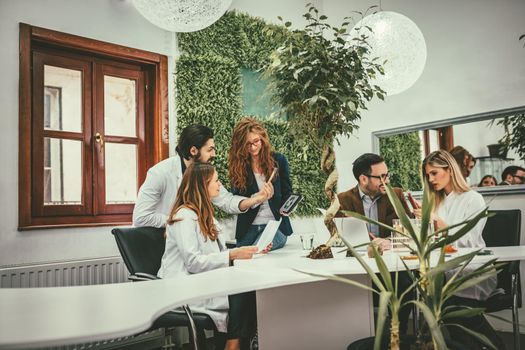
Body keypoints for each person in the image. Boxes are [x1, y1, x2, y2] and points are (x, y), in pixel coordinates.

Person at [158, 162, 270, 350]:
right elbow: (193, 262)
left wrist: (251, 251)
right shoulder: (184, 216)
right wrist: (231, 255)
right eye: (216, 181)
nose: (220, 185)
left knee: (251, 288)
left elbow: (217, 252)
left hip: (206, 279)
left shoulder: (205, 215)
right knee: (243, 292)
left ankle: (234, 343)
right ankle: (232, 345)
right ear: (202, 185)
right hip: (184, 286)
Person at [414, 150, 502, 349]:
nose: (431, 179)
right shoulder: (437, 202)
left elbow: (467, 242)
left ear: (450, 170)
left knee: (456, 315)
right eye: (428, 175)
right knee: (444, 316)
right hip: (443, 275)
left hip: (471, 272)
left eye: (434, 173)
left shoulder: (473, 199)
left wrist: (439, 224)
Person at [133, 124, 273, 228]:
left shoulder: (204, 173)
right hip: (156, 240)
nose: (214, 155)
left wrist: (256, 199)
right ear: (193, 150)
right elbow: (141, 217)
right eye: (210, 150)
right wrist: (183, 220)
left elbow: (227, 201)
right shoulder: (160, 173)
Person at [337, 153, 414, 335]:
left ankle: (399, 331)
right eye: (381, 177)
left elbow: (409, 230)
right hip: (359, 262)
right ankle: (362, 333)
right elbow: (337, 237)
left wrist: (388, 241)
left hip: (391, 261)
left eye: (387, 175)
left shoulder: (395, 194)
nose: (386, 180)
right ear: (363, 179)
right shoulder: (343, 199)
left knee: (405, 282)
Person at [228, 117, 293, 250]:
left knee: (257, 251)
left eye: (256, 141)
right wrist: (259, 197)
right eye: (247, 144)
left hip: (275, 226)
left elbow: (287, 193)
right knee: (241, 257)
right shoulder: (238, 166)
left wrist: (288, 207)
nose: (252, 147)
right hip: (248, 227)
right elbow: (236, 200)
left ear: (263, 138)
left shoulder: (278, 160)